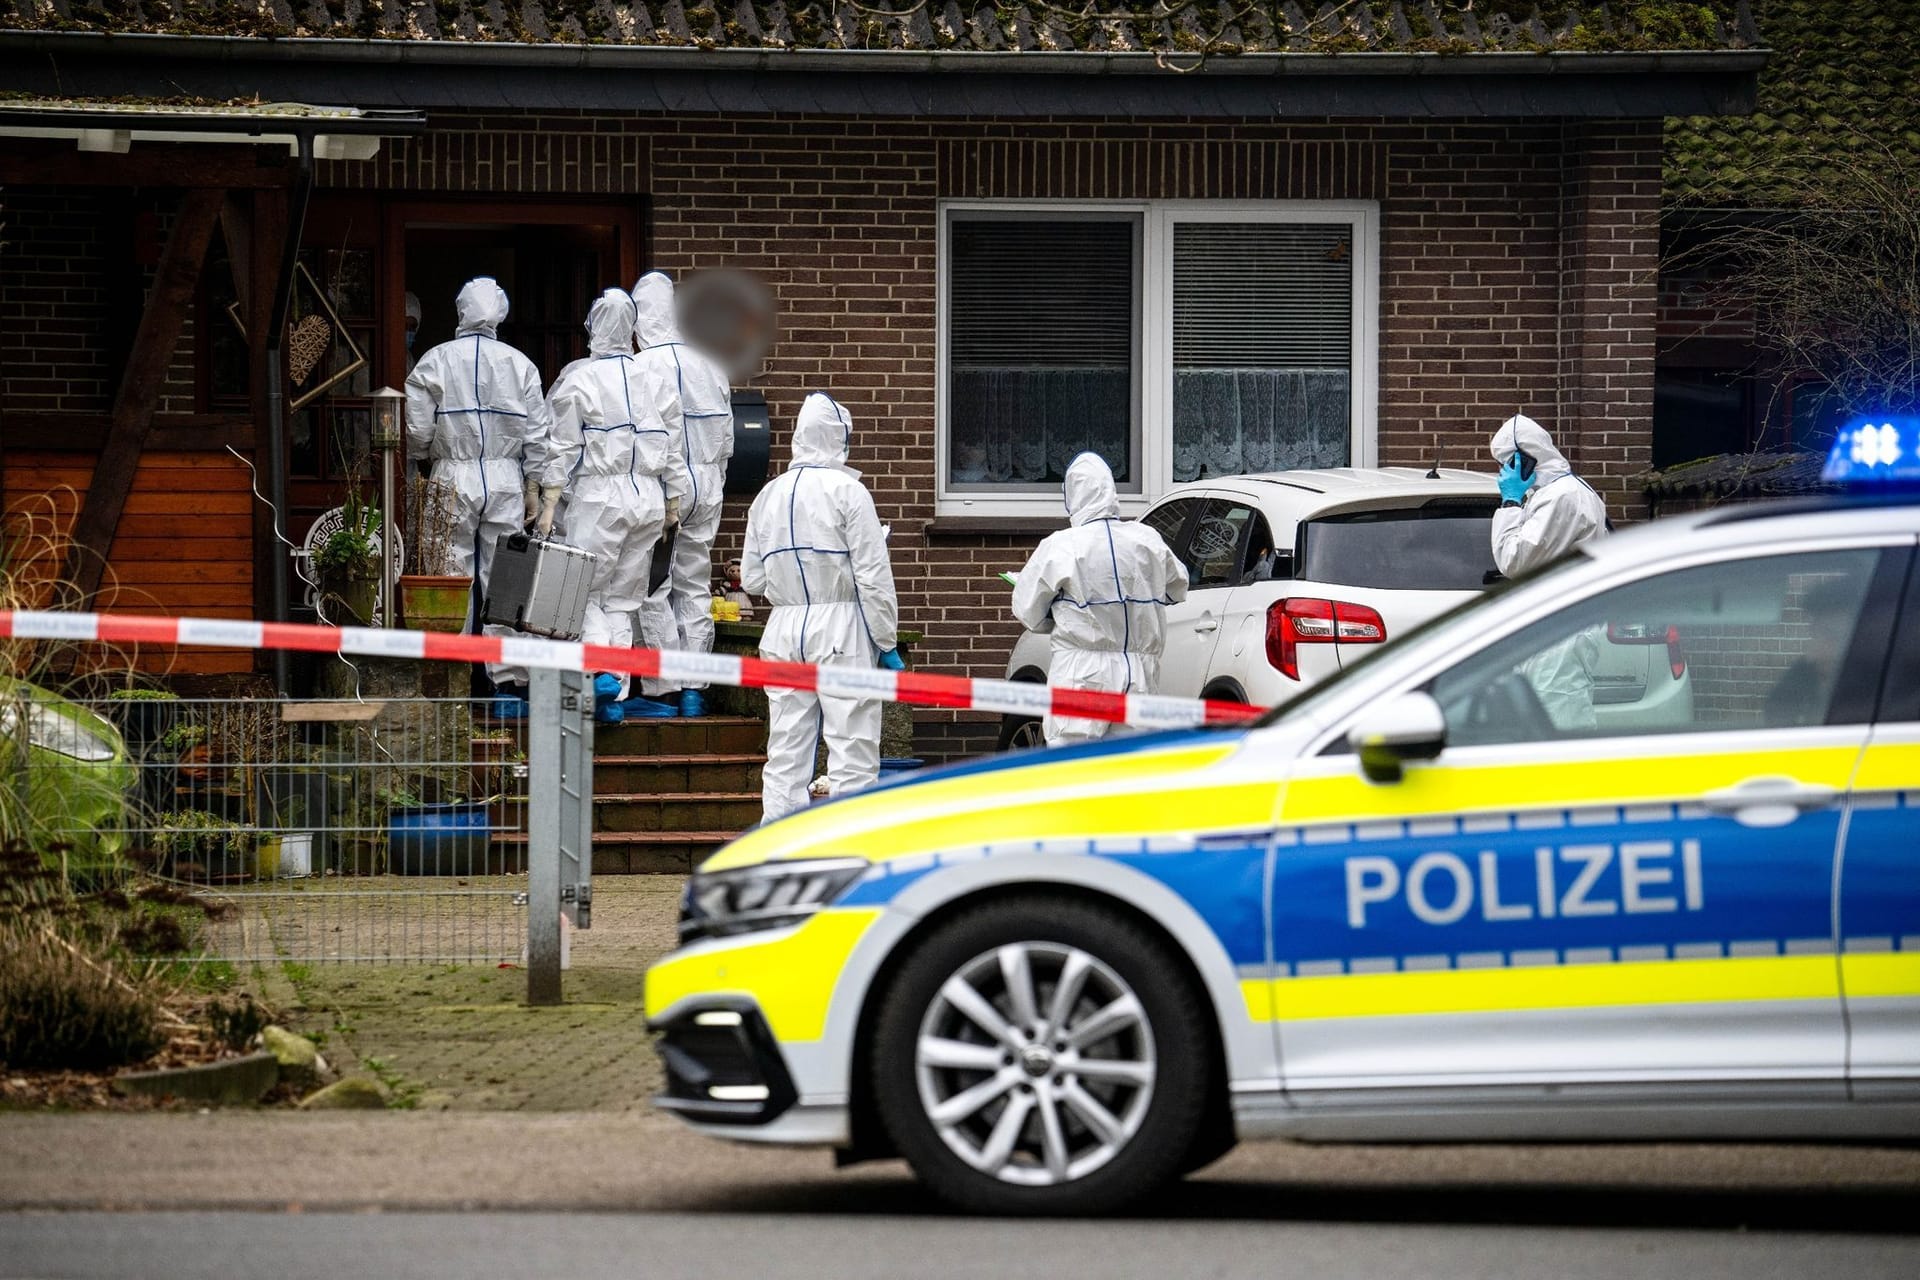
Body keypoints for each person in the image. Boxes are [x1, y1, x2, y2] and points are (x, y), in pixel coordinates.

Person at [742, 393, 900, 823]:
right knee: (852, 748)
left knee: (786, 752)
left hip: (783, 627)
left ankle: (778, 853)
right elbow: (873, 577)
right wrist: (886, 639)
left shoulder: (767, 496)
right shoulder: (849, 491)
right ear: (838, 439)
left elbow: (752, 580)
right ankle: (849, 850)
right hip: (841, 627)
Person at [541, 288, 688, 722]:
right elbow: (675, 447)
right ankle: (615, 698)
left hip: (599, 499)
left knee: (582, 593)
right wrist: (673, 501)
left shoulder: (580, 380)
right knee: (623, 600)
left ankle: (602, 674)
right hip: (649, 500)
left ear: (593, 327)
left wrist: (550, 498)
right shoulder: (654, 380)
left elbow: (563, 446)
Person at [404, 277, 555, 694]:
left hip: (452, 473)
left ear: (461, 310)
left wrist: (423, 457)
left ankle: (454, 677)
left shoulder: (435, 360)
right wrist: (534, 484)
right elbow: (538, 435)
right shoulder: (520, 364)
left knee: (451, 573)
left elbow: (415, 429)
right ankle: (505, 682)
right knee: (505, 578)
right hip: (505, 476)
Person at [1011, 452, 1188, 748]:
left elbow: (1027, 611)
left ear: (1072, 496)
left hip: (1081, 673)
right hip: (1138, 672)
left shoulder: (1062, 546)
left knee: (1073, 772)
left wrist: (1062, 612)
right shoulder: (1147, 540)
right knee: (1129, 772)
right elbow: (1178, 587)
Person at [631, 272, 735, 718]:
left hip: (663, 491)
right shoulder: (710, 367)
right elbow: (728, 440)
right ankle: (695, 687)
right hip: (707, 488)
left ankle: (662, 688)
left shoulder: (640, 368)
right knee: (694, 584)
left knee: (652, 585)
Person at [1489, 414, 1610, 730]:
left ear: (1524, 460)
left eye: (1506, 462)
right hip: (1554, 626)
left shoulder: (1562, 497)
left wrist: (1510, 503)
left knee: (1562, 728)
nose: (1502, 472)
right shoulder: (1554, 493)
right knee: (1542, 727)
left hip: (1562, 632)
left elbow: (1514, 559)